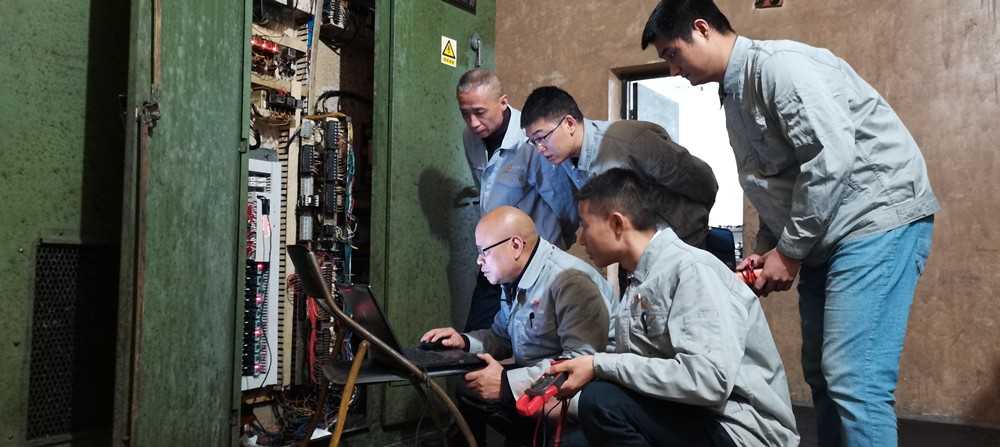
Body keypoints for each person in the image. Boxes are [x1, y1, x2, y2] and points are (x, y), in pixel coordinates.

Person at [640, 1, 939, 445]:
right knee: (821, 373)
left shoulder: (781, 67)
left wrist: (790, 252)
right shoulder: (733, 94)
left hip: (874, 221)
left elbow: (829, 161)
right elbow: (777, 182)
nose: (672, 69)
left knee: (854, 380)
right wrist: (766, 250)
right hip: (826, 234)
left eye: (672, 53)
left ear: (701, 29)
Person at [548, 168, 798, 447]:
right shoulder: (640, 281)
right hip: (693, 416)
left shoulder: (690, 269)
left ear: (617, 223)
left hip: (739, 428)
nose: (582, 239)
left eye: (585, 225)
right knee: (572, 439)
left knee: (600, 401)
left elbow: (708, 381)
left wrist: (599, 365)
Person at [421, 206, 616, 447]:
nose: (479, 260)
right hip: (541, 375)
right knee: (470, 388)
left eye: (484, 251)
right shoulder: (515, 279)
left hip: (581, 390)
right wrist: (463, 342)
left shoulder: (569, 281)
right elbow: (501, 336)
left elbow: (578, 362)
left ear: (515, 245)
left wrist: (506, 383)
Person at [519, 85, 718, 248]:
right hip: (640, 253)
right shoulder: (564, 160)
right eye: (533, 142)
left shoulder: (629, 142)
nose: (539, 148)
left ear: (569, 123)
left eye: (541, 137)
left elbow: (703, 180)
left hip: (686, 244)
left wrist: (693, 226)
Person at [457, 69, 577, 332]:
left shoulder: (531, 142)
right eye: (465, 113)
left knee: (535, 339)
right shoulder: (470, 138)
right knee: (477, 335)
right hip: (495, 255)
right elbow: (485, 188)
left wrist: (560, 243)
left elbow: (565, 205)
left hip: (534, 258)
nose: (473, 122)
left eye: (479, 112)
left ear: (503, 102)